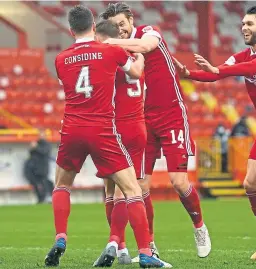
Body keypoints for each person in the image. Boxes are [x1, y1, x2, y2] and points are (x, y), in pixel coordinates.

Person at [173, 6, 256, 263]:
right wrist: (189, 74)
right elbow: (216, 73)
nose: (244, 27)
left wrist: (217, 70)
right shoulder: (242, 55)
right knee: (250, 184)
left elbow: (250, 67)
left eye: (249, 24)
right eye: (243, 23)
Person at [44, 5, 171, 268]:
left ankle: (60, 237)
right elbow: (135, 72)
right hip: (103, 129)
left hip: (71, 129)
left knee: (61, 186)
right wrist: (140, 58)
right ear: (93, 25)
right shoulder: (110, 50)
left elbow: (68, 84)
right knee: (132, 190)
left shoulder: (60, 59)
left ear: (70, 29)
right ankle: (145, 252)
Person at [100, 2, 211, 259]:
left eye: (122, 24)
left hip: (171, 114)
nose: (120, 30)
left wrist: (107, 42)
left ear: (130, 19)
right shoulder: (121, 52)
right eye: (115, 27)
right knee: (139, 185)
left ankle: (199, 226)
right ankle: (149, 244)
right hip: (142, 120)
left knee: (178, 182)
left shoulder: (149, 32)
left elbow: (146, 46)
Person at [95, 19, 147, 265]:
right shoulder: (137, 55)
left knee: (113, 190)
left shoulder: (108, 57)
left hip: (114, 127)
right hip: (137, 125)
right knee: (125, 189)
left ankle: (117, 242)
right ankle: (121, 246)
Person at [23, 131, 53, 204]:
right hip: (34, 169)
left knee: (45, 183)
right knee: (35, 184)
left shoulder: (47, 144)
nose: (41, 137)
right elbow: (31, 153)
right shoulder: (37, 144)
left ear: (45, 136)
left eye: (42, 136)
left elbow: (44, 152)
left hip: (43, 168)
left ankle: (47, 197)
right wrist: (32, 147)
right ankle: (40, 198)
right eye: (40, 135)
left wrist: (36, 147)